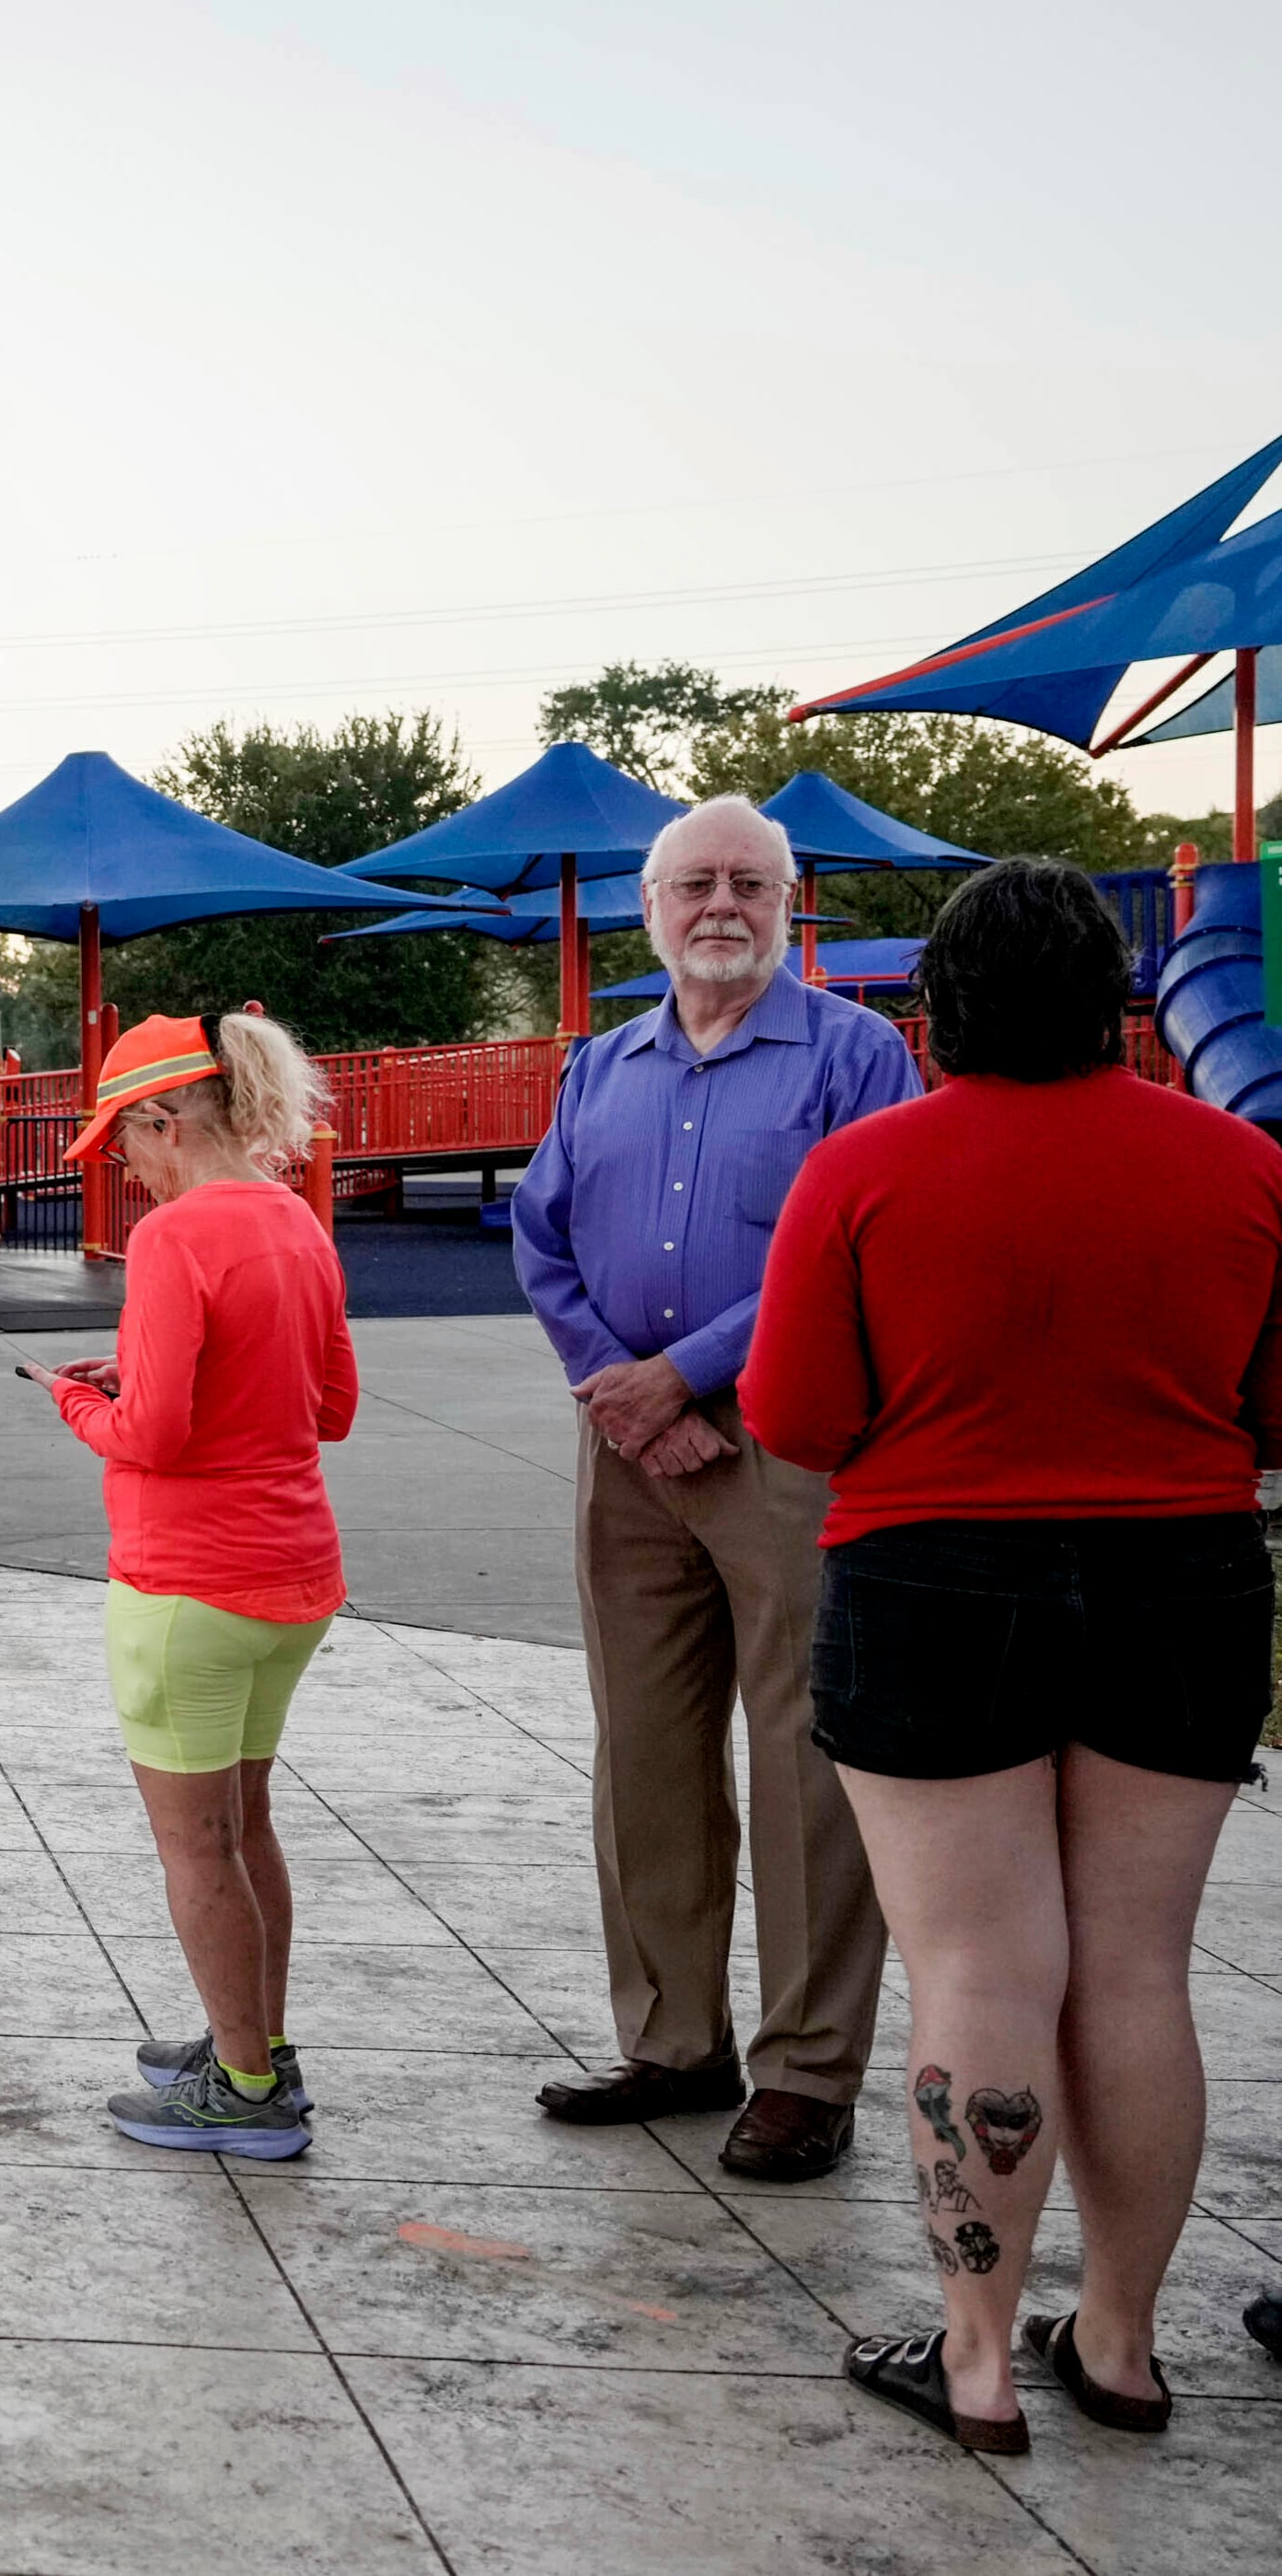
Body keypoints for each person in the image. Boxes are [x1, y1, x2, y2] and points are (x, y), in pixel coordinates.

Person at [738, 861, 1282, 2450]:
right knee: (1136, 1968)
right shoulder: (1243, 1165)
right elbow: (1273, 1411)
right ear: (1118, 999)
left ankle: (975, 2363)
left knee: (980, 1970)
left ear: (936, 1009)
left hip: (931, 1579)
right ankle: (1118, 2344)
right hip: (1180, 1579)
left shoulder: (861, 1170)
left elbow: (795, 1415)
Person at [509, 790, 918, 2181]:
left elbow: (851, 1248)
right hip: (625, 1446)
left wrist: (682, 1375)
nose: (721, 906)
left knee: (806, 1755)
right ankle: (672, 2040)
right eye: (695, 884)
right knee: (642, 1744)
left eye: (749, 882)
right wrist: (620, 1389)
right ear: (652, 909)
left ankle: (806, 2071)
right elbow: (541, 1237)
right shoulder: (600, 1065)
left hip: (787, 1442)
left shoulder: (856, 1058)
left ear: (789, 906)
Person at [20, 1012, 361, 2155]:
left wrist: (77, 1398)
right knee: (244, 1822)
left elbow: (152, 1435)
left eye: (124, 1141)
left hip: (184, 1584)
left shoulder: (172, 1237)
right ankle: (253, 2041)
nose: (124, 1168)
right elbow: (328, 1407)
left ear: (166, 1120)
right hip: (291, 1570)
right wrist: (146, 1375)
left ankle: (244, 2088)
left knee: (195, 1845)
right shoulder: (292, 1218)